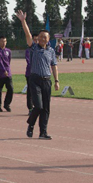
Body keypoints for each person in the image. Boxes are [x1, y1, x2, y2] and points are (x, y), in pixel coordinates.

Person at [16, 10, 59, 140]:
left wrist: (56, 81)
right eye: (40, 37)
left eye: (44, 37)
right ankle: (31, 124)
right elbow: (28, 34)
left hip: (47, 81)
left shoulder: (51, 51)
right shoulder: (34, 48)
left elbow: (54, 66)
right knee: (38, 106)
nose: (42, 39)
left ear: (48, 39)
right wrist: (23, 21)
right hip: (35, 80)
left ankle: (43, 132)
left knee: (46, 108)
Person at [0, 35, 13, 112]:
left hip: (8, 74)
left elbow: (9, 61)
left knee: (10, 89)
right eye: (2, 41)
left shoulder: (8, 51)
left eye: (5, 41)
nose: (3, 43)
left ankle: (6, 104)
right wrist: (4, 70)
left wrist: (7, 70)